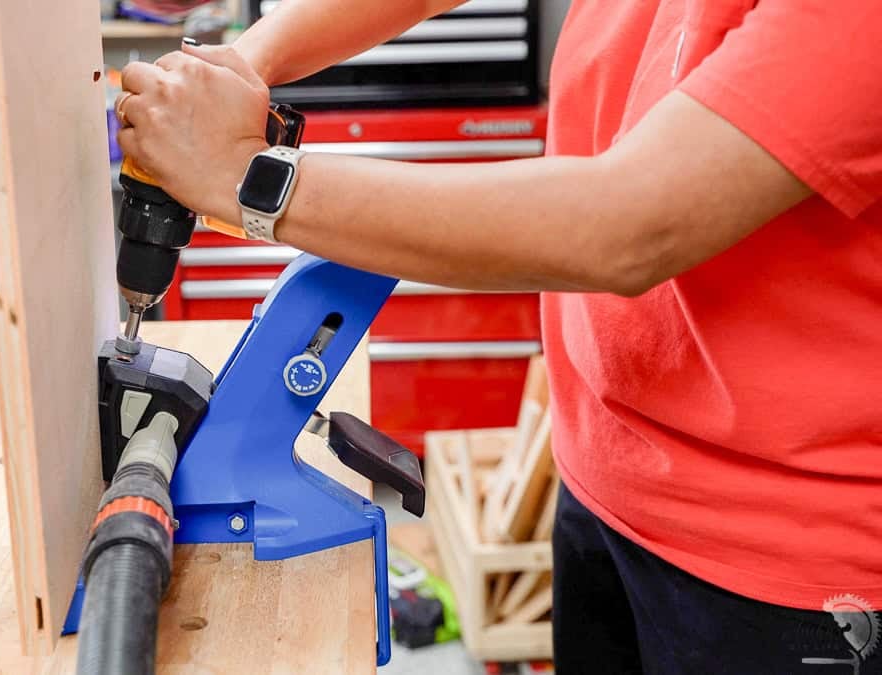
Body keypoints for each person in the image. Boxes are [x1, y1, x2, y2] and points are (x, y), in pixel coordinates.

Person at [114, 2, 882, 672]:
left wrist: (247, 176)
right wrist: (237, 67)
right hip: (606, 478)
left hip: (791, 574)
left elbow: (632, 226)